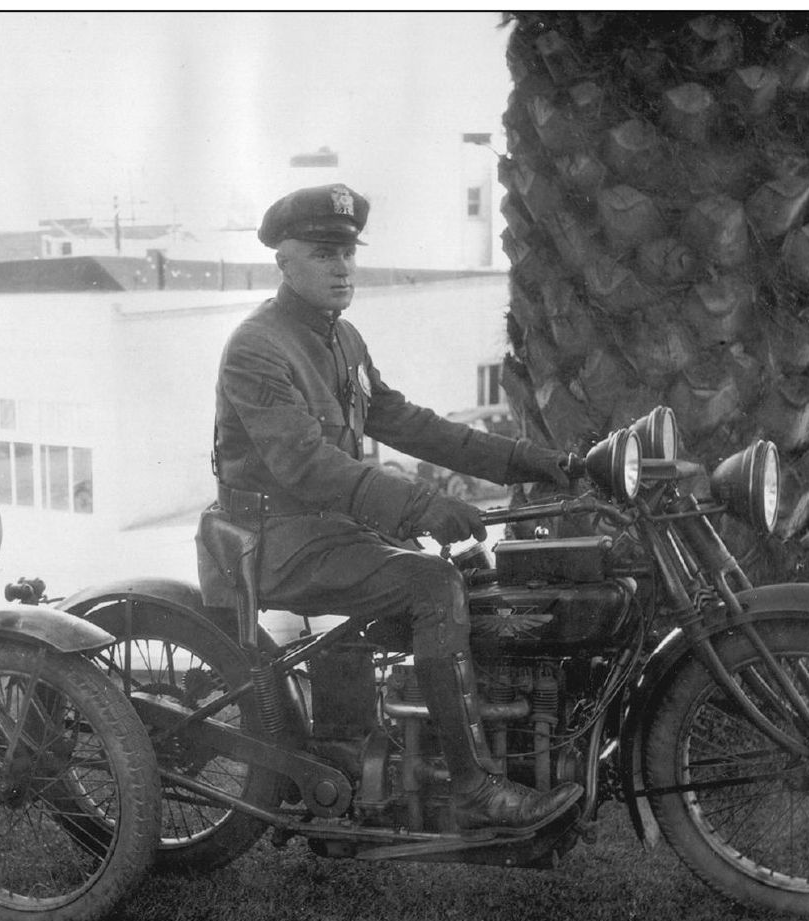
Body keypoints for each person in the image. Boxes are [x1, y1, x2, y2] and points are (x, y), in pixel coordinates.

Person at [198, 184, 582, 833]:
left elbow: (409, 422)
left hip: (328, 531)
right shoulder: (256, 347)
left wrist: (525, 460)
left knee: (471, 580)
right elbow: (303, 463)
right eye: (323, 253)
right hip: (268, 540)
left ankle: (390, 747)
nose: (341, 266)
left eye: (346, 251)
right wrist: (421, 505)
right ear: (284, 262)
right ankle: (469, 784)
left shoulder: (341, 338)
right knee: (432, 583)